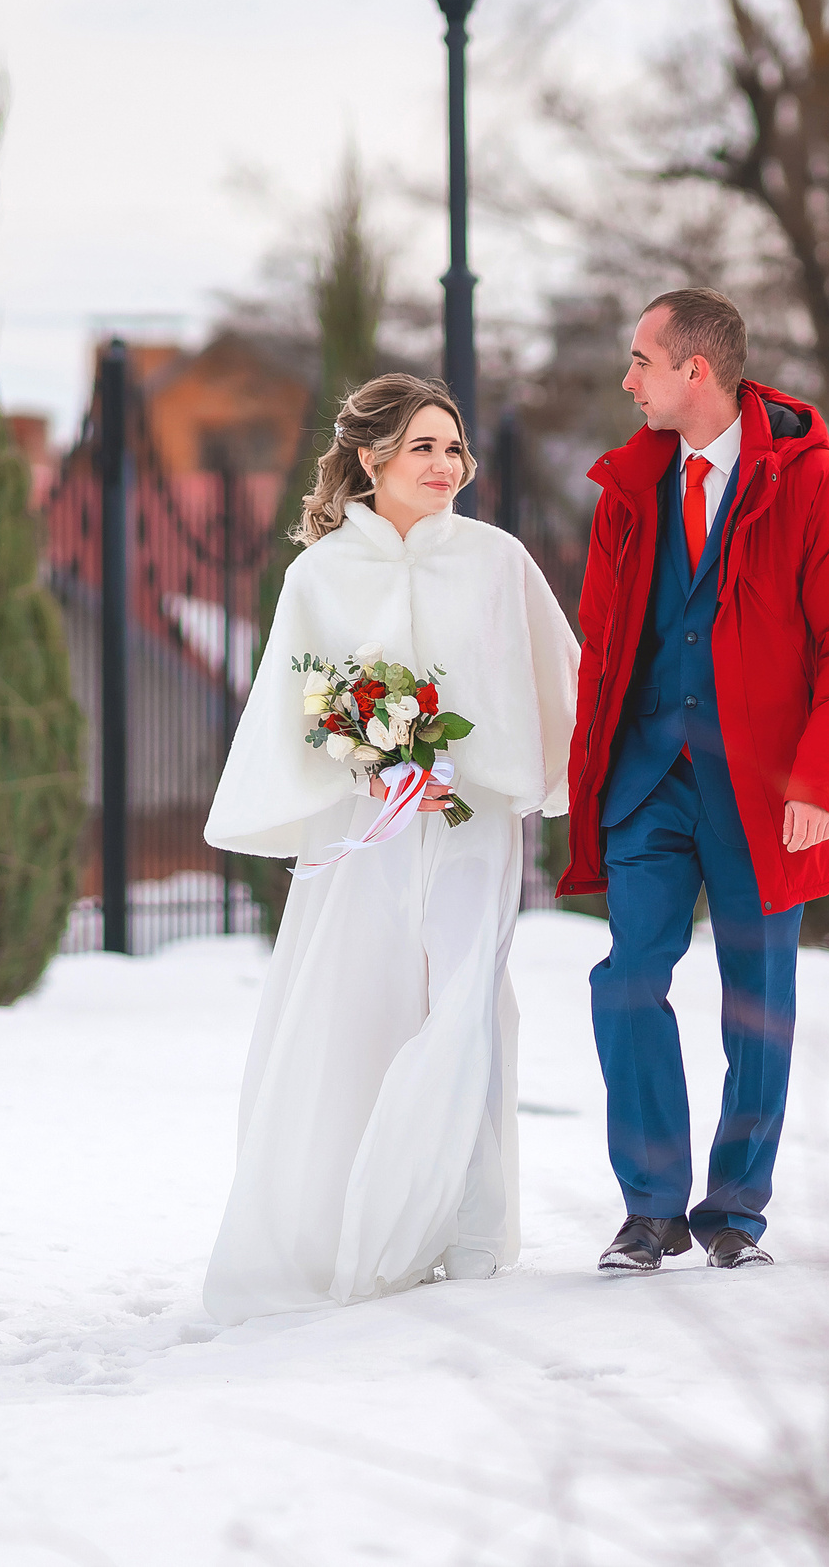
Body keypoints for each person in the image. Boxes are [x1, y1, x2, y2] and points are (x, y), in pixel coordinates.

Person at [202, 374, 580, 1320]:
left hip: (471, 823)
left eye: (453, 448)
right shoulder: (319, 575)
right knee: (359, 1006)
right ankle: (348, 1220)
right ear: (370, 460)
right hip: (362, 825)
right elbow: (298, 697)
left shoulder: (497, 560)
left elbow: (551, 678)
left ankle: (462, 1228)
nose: (445, 466)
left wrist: (505, 766)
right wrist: (362, 758)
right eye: (423, 447)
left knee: (464, 1005)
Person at [561, 288, 829, 1273]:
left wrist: (818, 782)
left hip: (765, 792)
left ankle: (735, 1209)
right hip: (649, 777)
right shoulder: (628, 488)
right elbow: (605, 643)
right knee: (626, 980)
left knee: (758, 999)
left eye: (641, 362)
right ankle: (651, 1206)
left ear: (694, 370)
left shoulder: (815, 484)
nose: (628, 382)